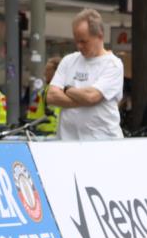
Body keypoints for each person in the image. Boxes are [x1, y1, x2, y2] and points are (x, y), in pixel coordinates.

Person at [45, 9, 124, 140]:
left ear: (100, 36)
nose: (79, 46)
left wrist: (67, 89)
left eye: (83, 41)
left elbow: (91, 97)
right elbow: (51, 96)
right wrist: (81, 100)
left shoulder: (113, 64)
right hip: (68, 144)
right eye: (76, 41)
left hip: (102, 144)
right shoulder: (68, 60)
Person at [26, 56, 62, 135]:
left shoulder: (47, 92)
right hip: (47, 134)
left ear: (56, 72)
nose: (44, 73)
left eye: (48, 70)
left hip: (48, 135)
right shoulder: (42, 92)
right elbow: (32, 112)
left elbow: (32, 114)